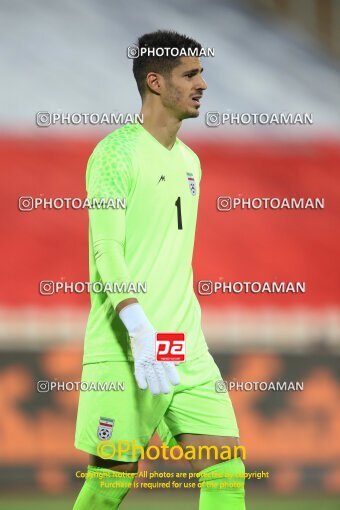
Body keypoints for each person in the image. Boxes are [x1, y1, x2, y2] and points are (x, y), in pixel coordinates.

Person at [73, 29, 245, 510]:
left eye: (201, 73)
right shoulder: (114, 154)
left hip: (185, 344)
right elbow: (107, 250)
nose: (203, 83)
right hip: (127, 345)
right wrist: (137, 325)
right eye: (190, 74)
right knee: (110, 484)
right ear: (155, 82)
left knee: (226, 470)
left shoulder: (191, 161)